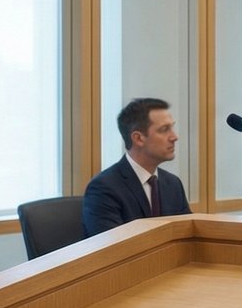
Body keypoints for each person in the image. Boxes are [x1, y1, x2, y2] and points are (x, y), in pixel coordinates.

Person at [82, 97, 191, 236]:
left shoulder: (173, 184)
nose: (174, 137)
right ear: (138, 138)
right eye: (164, 130)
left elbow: (188, 237)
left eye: (172, 127)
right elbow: (112, 249)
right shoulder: (104, 188)